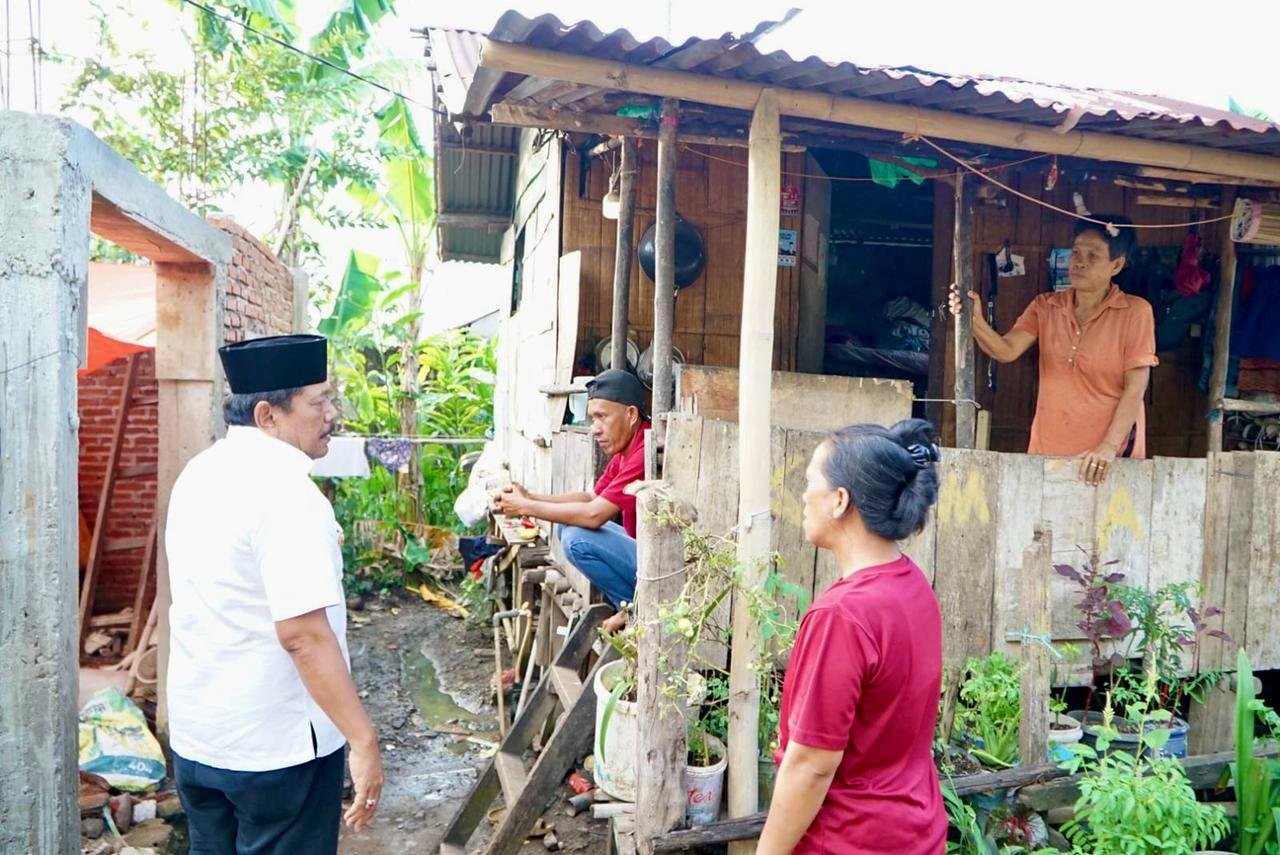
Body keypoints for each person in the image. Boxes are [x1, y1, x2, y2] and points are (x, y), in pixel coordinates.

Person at [166, 334, 383, 854]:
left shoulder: (199, 471)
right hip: (275, 749)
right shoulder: (288, 495)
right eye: (318, 402)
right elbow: (304, 636)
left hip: (201, 742)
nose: (332, 414)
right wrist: (363, 739)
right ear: (268, 415)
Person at [758, 419, 946, 854]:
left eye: (811, 482)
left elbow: (812, 766)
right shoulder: (913, 585)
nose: (804, 495)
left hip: (849, 839)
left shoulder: (842, 615)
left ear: (840, 500)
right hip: (915, 830)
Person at [950, 215, 1159, 486]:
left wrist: (1108, 447)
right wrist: (973, 319)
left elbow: (1136, 388)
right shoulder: (1045, 306)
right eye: (1076, 252)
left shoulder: (1136, 312)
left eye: (1093, 256)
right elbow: (1005, 350)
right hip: (1048, 450)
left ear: (1116, 265)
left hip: (1107, 459)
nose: (1079, 262)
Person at [493, 369, 649, 611]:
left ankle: (633, 609)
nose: (595, 428)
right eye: (592, 419)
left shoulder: (644, 451)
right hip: (640, 551)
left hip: (660, 566)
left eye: (602, 417)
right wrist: (531, 496)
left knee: (577, 540)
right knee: (567, 525)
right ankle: (631, 605)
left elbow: (594, 515)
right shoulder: (626, 450)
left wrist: (526, 507)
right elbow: (591, 498)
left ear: (630, 414)